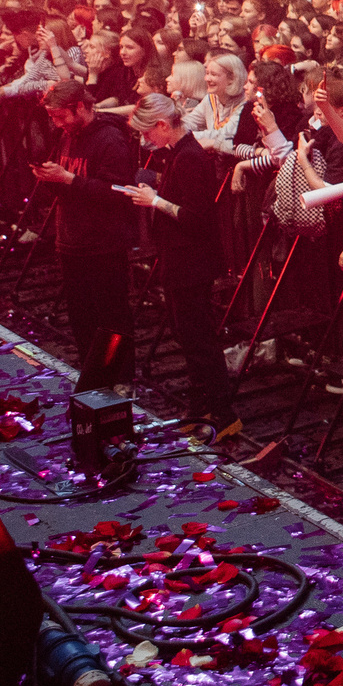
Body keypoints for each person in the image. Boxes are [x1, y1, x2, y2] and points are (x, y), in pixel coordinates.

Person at [122, 94, 237, 438]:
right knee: (186, 335)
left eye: (148, 132)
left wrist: (154, 200)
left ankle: (223, 413)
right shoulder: (177, 155)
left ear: (161, 125)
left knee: (199, 338)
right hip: (179, 257)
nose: (146, 140)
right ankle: (201, 407)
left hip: (192, 260)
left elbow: (195, 217)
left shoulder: (190, 158)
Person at [31, 80, 139, 391]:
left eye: (61, 115)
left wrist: (69, 179)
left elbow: (118, 193)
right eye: (52, 117)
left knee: (112, 315)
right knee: (80, 316)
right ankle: (93, 375)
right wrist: (50, 178)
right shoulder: (67, 135)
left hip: (104, 243)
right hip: (71, 241)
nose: (57, 123)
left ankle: (121, 378)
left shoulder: (110, 140)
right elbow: (67, 186)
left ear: (81, 107)